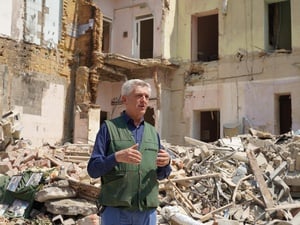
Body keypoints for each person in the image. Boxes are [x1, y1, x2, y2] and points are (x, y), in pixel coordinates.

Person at [87, 79, 172, 225]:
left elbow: (161, 174)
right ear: (124, 99)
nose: (144, 100)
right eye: (139, 95)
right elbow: (93, 169)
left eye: (146, 96)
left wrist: (166, 163)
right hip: (116, 211)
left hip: (147, 212)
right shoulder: (109, 128)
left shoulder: (153, 133)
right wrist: (116, 157)